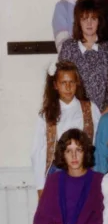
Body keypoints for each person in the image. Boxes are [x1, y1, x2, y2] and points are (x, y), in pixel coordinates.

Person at [31, 61, 100, 197]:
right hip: (57, 173)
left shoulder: (90, 108)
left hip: (84, 172)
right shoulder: (47, 115)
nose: (68, 87)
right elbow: (37, 151)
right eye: (63, 83)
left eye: (71, 82)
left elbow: (98, 143)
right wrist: (40, 187)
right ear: (55, 85)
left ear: (77, 83)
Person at [59, 0, 108, 112]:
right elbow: (62, 83)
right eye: (84, 19)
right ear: (78, 22)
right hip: (75, 113)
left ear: (99, 21)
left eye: (93, 18)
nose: (89, 23)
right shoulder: (68, 48)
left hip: (103, 113)